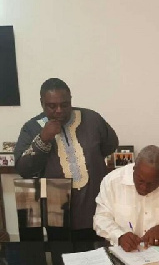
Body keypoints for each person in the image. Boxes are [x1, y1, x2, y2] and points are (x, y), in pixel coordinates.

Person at [14, 78, 119, 239]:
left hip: (94, 201)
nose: (59, 110)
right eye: (52, 106)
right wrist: (43, 138)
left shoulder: (91, 119)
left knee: (97, 257)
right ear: (42, 103)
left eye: (64, 104)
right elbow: (23, 169)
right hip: (56, 207)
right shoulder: (32, 128)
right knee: (62, 257)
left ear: (71, 100)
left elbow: (110, 144)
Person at [93, 145, 159, 251]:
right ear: (134, 168)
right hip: (124, 255)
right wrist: (119, 236)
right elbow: (100, 219)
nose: (144, 187)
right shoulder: (112, 181)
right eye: (140, 181)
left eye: (151, 184)